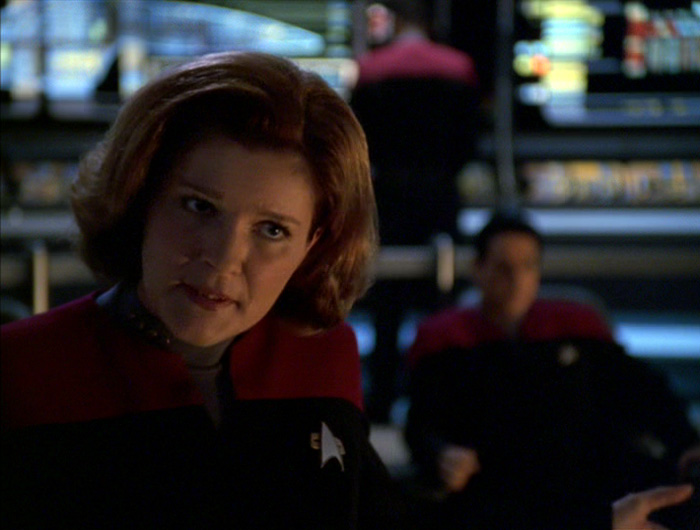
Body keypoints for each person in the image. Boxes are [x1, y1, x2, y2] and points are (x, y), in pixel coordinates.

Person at [1, 51, 402, 529]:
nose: (224, 258)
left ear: (312, 244)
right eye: (199, 206)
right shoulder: (23, 367)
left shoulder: (322, 356)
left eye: (272, 230)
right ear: (141, 197)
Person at [403, 210, 700, 529]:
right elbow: (422, 424)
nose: (517, 279)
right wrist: (442, 456)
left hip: (593, 478)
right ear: (478, 269)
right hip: (500, 492)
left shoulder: (575, 327)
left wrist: (685, 442)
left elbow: (643, 389)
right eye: (503, 267)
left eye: (528, 266)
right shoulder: (447, 341)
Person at [350, 0, 481, 423]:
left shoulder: (372, 69)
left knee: (387, 303)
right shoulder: (459, 67)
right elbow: (469, 141)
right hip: (440, 196)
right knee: (441, 298)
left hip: (389, 198)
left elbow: (358, 140)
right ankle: (439, 404)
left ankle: (381, 402)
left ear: (397, 22)